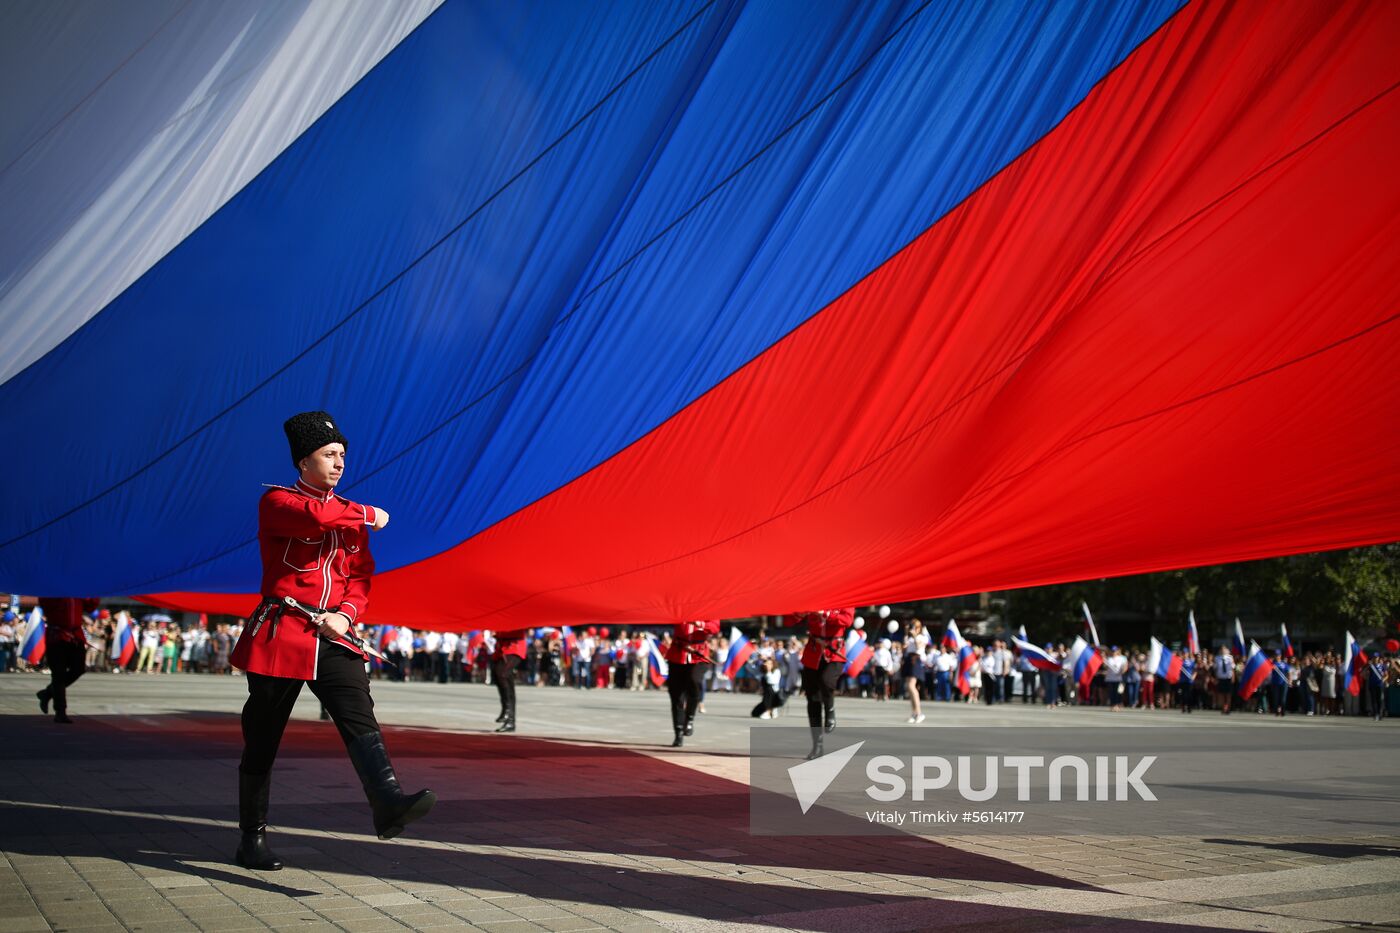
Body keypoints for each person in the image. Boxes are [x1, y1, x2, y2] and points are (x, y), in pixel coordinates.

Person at [228, 411, 434, 871]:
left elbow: (360, 577)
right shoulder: (278, 501)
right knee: (262, 738)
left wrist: (345, 615)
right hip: (282, 632)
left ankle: (388, 802)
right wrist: (368, 511)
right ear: (304, 462)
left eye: (342, 454)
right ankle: (251, 838)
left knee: (358, 709)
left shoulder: (348, 513)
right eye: (329, 455)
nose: (339, 462)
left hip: (332, 634)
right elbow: (317, 514)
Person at [792, 608, 855, 759]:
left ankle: (830, 710)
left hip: (834, 651)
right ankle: (817, 746)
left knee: (826, 681)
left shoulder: (845, 595)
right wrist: (800, 612)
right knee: (812, 698)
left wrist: (826, 614)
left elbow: (847, 620)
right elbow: (792, 618)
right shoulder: (813, 595)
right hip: (813, 651)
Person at [35, 597, 100, 722]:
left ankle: (48, 693)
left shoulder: (78, 590)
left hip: (75, 637)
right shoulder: (53, 590)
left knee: (79, 669)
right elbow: (45, 604)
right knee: (58, 675)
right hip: (57, 636)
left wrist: (93, 591)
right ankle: (60, 712)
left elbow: (91, 606)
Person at [664, 620, 720, 746]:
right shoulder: (679, 606)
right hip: (678, 652)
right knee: (676, 694)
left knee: (694, 681)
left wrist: (702, 624)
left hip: (698, 653)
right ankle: (678, 732)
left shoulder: (708, 607)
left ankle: (689, 718)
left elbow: (715, 627)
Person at [491, 628, 527, 732]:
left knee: (502, 673)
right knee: (499, 676)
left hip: (515, 645)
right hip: (502, 645)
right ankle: (509, 717)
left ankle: (508, 712)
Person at [1213, 646, 1235, 715]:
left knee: (1228, 694)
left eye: (1224, 650)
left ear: (1227, 650)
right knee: (1221, 695)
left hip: (1228, 678)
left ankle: (1228, 708)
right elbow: (1215, 669)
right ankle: (1223, 708)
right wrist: (1216, 678)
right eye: (1221, 650)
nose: (1223, 651)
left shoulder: (1230, 658)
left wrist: (1233, 677)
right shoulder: (1217, 658)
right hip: (1221, 678)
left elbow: (1233, 668)